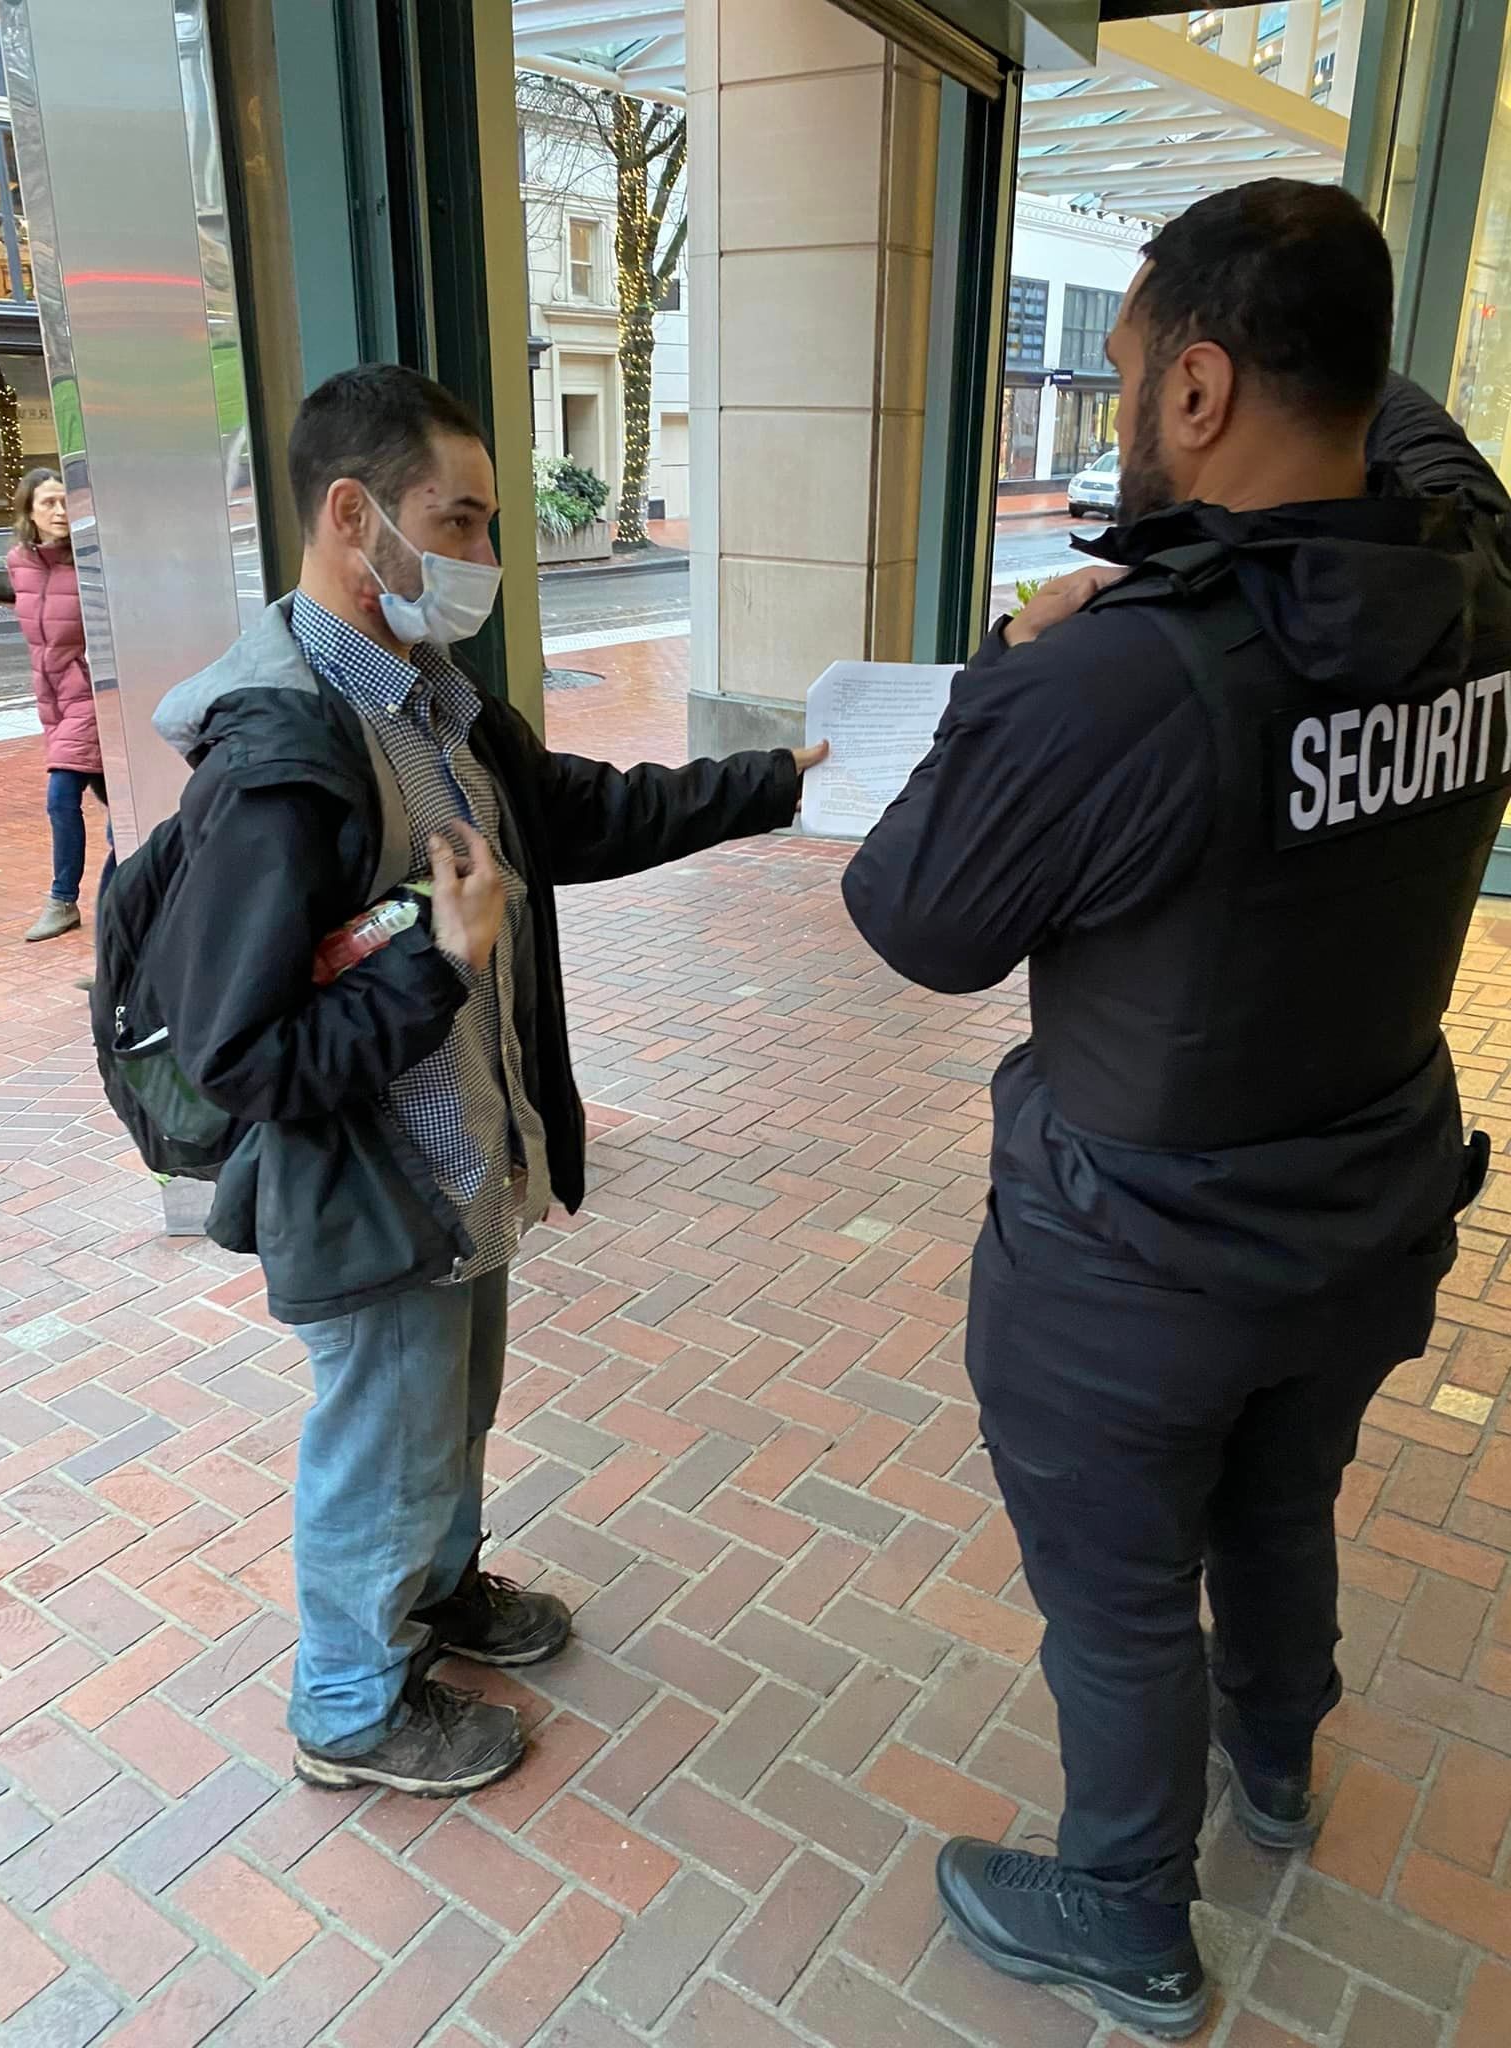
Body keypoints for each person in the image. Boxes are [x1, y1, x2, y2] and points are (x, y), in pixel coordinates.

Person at [842, 179, 1511, 2041]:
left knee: (1124, 1590)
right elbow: (1420, 434)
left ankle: (1125, 1910)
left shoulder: (1124, 674)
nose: (1119, 408)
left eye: (1131, 372)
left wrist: (1011, 668)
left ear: (1203, 388)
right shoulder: (1476, 585)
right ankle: (1278, 1766)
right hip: (1365, 1225)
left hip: (1130, 1270)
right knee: (1284, 1502)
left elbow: (912, 917)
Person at [143, 364, 824, 1800]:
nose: (483, 561)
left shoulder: (434, 704)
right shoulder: (282, 761)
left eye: (488, 525)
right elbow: (238, 1053)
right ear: (353, 517)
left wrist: (781, 782)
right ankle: (348, 1702)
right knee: (377, 1445)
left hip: (461, 1169)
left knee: (446, 1423)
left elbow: (578, 813)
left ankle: (438, 1598)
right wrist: (437, 968)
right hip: (370, 1194)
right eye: (456, 522)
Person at [9, 468, 114, 942]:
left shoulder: (93, 563)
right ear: (29, 511)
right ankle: (135, 883)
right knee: (122, 803)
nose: (58, 512)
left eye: (65, 502)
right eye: (48, 503)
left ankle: (62, 899)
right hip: (52, 700)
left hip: (91, 695)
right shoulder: (19, 563)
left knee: (61, 795)